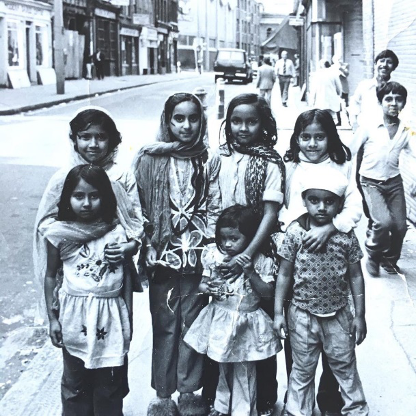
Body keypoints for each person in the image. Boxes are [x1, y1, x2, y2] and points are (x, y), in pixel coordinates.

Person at [132, 93, 220, 416]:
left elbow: (214, 207)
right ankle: (162, 394)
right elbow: (137, 207)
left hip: (198, 256)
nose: (185, 125)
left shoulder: (208, 159)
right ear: (166, 121)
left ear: (202, 122)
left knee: (194, 323)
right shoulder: (149, 159)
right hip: (162, 257)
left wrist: (212, 251)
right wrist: (147, 244)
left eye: (192, 119)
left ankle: (190, 391)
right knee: (165, 323)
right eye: (178, 119)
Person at [204, 93, 285, 416]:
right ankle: (219, 400)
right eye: (236, 121)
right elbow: (210, 204)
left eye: (252, 121)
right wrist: (218, 251)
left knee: (258, 328)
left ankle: (263, 398)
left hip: (257, 253)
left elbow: (270, 213)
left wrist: (249, 254)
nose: (243, 128)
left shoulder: (269, 161)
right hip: (224, 250)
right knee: (222, 323)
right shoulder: (219, 157)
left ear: (264, 125)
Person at [279, 109, 362, 415]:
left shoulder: (340, 164)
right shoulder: (291, 165)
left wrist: (330, 227)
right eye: (306, 137)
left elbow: (354, 205)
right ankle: (298, 400)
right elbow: (285, 207)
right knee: (300, 331)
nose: (312, 144)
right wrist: (301, 228)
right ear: (297, 138)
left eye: (319, 137)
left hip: (334, 257)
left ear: (330, 137)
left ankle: (329, 395)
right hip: (299, 256)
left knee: (336, 337)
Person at [34, 107, 144, 324]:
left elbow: (135, 222)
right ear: (74, 139)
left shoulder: (121, 175)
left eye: (101, 137)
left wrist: (129, 247)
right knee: (74, 327)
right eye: (85, 137)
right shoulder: (64, 176)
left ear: (112, 140)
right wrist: (75, 236)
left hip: (113, 269)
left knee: (115, 331)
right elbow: (46, 223)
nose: (93, 144)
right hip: (73, 270)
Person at [43, 165, 133, 415]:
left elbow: (124, 278)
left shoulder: (116, 232)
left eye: (94, 196)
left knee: (109, 384)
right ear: (67, 198)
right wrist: (52, 319)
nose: (86, 203)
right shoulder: (58, 234)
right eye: (79, 196)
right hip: (74, 316)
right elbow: (50, 276)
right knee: (75, 383)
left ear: (105, 197)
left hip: (110, 316)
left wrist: (129, 319)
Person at [184, 205, 281, 416]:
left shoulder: (261, 261)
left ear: (249, 237)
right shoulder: (213, 255)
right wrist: (207, 288)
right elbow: (203, 283)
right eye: (223, 238)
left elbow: (267, 293)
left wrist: (250, 272)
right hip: (221, 318)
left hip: (248, 322)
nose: (227, 244)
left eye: (234, 238)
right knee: (221, 366)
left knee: (245, 368)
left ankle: (244, 409)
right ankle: (220, 407)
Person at [353, 81, 416, 277]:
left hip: (394, 182)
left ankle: (389, 259)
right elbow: (349, 150)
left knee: (400, 225)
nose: (393, 103)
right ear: (380, 102)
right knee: (382, 222)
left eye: (398, 99)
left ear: (404, 104)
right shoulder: (369, 126)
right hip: (370, 182)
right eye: (388, 99)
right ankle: (373, 254)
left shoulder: (406, 129)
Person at [310, 60, 342, 125]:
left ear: (322, 65)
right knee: (333, 109)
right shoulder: (333, 73)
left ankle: (323, 123)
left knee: (322, 110)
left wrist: (312, 98)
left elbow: (313, 87)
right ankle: (337, 121)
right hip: (331, 95)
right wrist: (339, 93)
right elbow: (338, 85)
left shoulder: (318, 74)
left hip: (321, 96)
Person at [331, 55, 350, 126]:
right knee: (337, 105)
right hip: (335, 88)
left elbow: (346, 74)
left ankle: (349, 121)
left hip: (344, 88)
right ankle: (339, 121)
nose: (339, 60)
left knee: (346, 105)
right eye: (337, 59)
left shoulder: (345, 66)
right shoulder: (332, 68)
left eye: (340, 59)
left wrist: (340, 68)